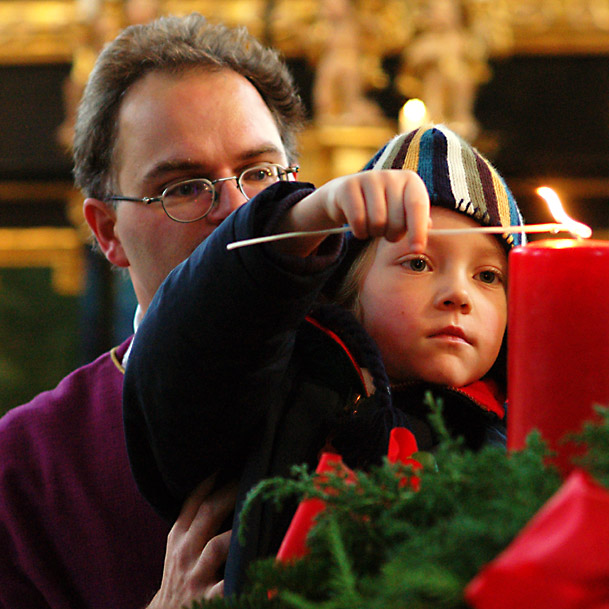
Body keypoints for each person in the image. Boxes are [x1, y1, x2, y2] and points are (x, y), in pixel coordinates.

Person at [123, 124, 526, 596]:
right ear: (349, 286)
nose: (458, 294)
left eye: (488, 275)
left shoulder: (524, 438)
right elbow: (181, 363)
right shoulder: (287, 389)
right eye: (418, 262)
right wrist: (302, 221)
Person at [0, 13, 305, 609]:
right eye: (184, 187)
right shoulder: (25, 467)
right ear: (108, 230)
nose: (238, 211)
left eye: (260, 173)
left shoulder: (391, 386)